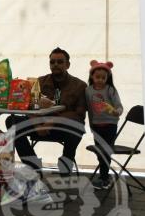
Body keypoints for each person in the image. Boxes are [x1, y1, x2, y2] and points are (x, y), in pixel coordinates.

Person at [12, 47, 87, 175]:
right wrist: (35, 123)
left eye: (60, 62)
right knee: (12, 121)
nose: (55, 65)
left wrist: (52, 122)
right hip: (39, 126)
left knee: (77, 128)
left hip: (63, 128)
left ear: (68, 65)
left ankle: (66, 162)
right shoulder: (39, 82)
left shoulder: (80, 85)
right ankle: (32, 163)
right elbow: (29, 106)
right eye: (52, 62)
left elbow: (79, 115)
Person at [86, 60, 123, 190]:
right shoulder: (88, 90)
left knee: (105, 152)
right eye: (97, 77)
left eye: (103, 77)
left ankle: (104, 178)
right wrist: (90, 124)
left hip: (110, 124)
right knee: (100, 152)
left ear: (108, 78)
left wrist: (116, 112)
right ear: (92, 76)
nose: (100, 80)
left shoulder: (110, 90)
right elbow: (88, 109)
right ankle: (104, 176)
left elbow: (119, 107)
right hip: (96, 125)